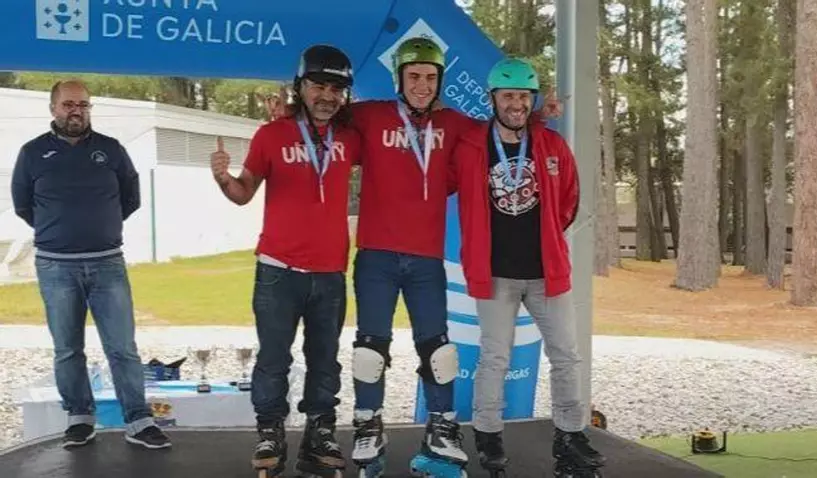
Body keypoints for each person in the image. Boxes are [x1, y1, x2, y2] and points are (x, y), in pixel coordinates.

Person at [265, 38, 561, 477]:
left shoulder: (455, 123)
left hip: (426, 258)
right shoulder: (370, 115)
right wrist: (288, 113)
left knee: (438, 349)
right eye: (414, 76)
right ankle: (368, 423)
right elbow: (323, 114)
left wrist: (535, 116)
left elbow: (500, 125)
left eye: (429, 77)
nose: (422, 85)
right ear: (399, 79)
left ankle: (441, 428)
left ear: (439, 80)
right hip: (376, 256)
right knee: (370, 348)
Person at [209, 45, 360, 478]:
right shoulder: (271, 135)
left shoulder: (350, 137)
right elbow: (243, 193)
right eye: (318, 86)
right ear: (300, 87)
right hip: (278, 271)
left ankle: (320, 434)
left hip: (330, 273)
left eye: (336, 89)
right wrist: (222, 177)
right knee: (274, 359)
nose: (327, 96)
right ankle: (270, 433)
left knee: (325, 360)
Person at [451, 58, 605, 477]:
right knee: (494, 358)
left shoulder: (551, 144)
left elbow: (569, 198)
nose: (516, 104)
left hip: (545, 274)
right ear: (493, 99)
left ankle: (570, 435)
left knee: (567, 356)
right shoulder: (469, 145)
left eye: (523, 96)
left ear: (532, 100)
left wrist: (549, 237)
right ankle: (488, 436)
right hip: (495, 274)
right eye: (508, 96)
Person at [10, 79, 171, 450]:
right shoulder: (32, 153)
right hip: (56, 267)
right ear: (54, 108)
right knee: (68, 349)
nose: (76, 111)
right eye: (68, 104)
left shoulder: (111, 150)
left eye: (83, 104)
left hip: (107, 263)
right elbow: (23, 204)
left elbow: (130, 198)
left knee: (122, 347)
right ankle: (80, 417)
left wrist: (100, 226)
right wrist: (58, 230)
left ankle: (139, 420)